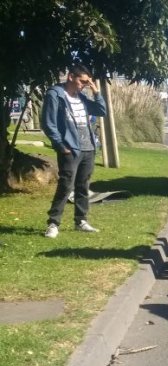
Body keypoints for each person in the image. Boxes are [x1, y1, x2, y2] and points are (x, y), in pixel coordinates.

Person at [41, 64, 107, 238]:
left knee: (83, 186)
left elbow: (101, 110)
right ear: (71, 77)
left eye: (87, 82)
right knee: (65, 186)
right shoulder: (55, 95)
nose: (84, 85)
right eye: (82, 81)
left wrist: (96, 92)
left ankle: (81, 220)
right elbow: (48, 124)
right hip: (70, 149)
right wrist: (61, 146)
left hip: (89, 148)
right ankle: (53, 223)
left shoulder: (82, 97)